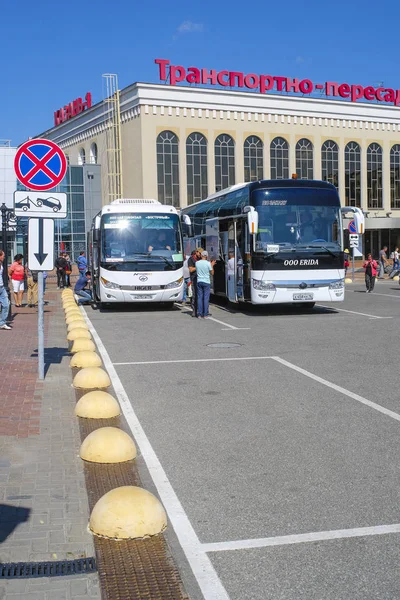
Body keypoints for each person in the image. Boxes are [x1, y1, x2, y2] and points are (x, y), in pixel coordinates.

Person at [196, 250, 216, 319]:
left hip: (199, 281)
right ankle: (205, 314)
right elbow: (212, 273)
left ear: (201, 255)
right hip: (206, 282)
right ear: (206, 256)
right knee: (206, 298)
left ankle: (199, 314)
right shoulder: (208, 263)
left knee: (200, 298)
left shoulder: (197, 263)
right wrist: (212, 265)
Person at [188, 248, 202, 317]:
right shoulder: (191, 259)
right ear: (196, 252)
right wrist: (198, 266)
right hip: (194, 278)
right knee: (195, 294)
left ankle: (200, 310)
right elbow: (190, 269)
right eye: (199, 253)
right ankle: (194, 309)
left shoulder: (201, 259)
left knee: (200, 295)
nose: (200, 255)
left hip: (201, 278)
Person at [0, 249, 11, 329]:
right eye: (3, 256)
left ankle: (2, 323)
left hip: (1, 287)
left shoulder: (1, 264)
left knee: (6, 304)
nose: (4, 257)